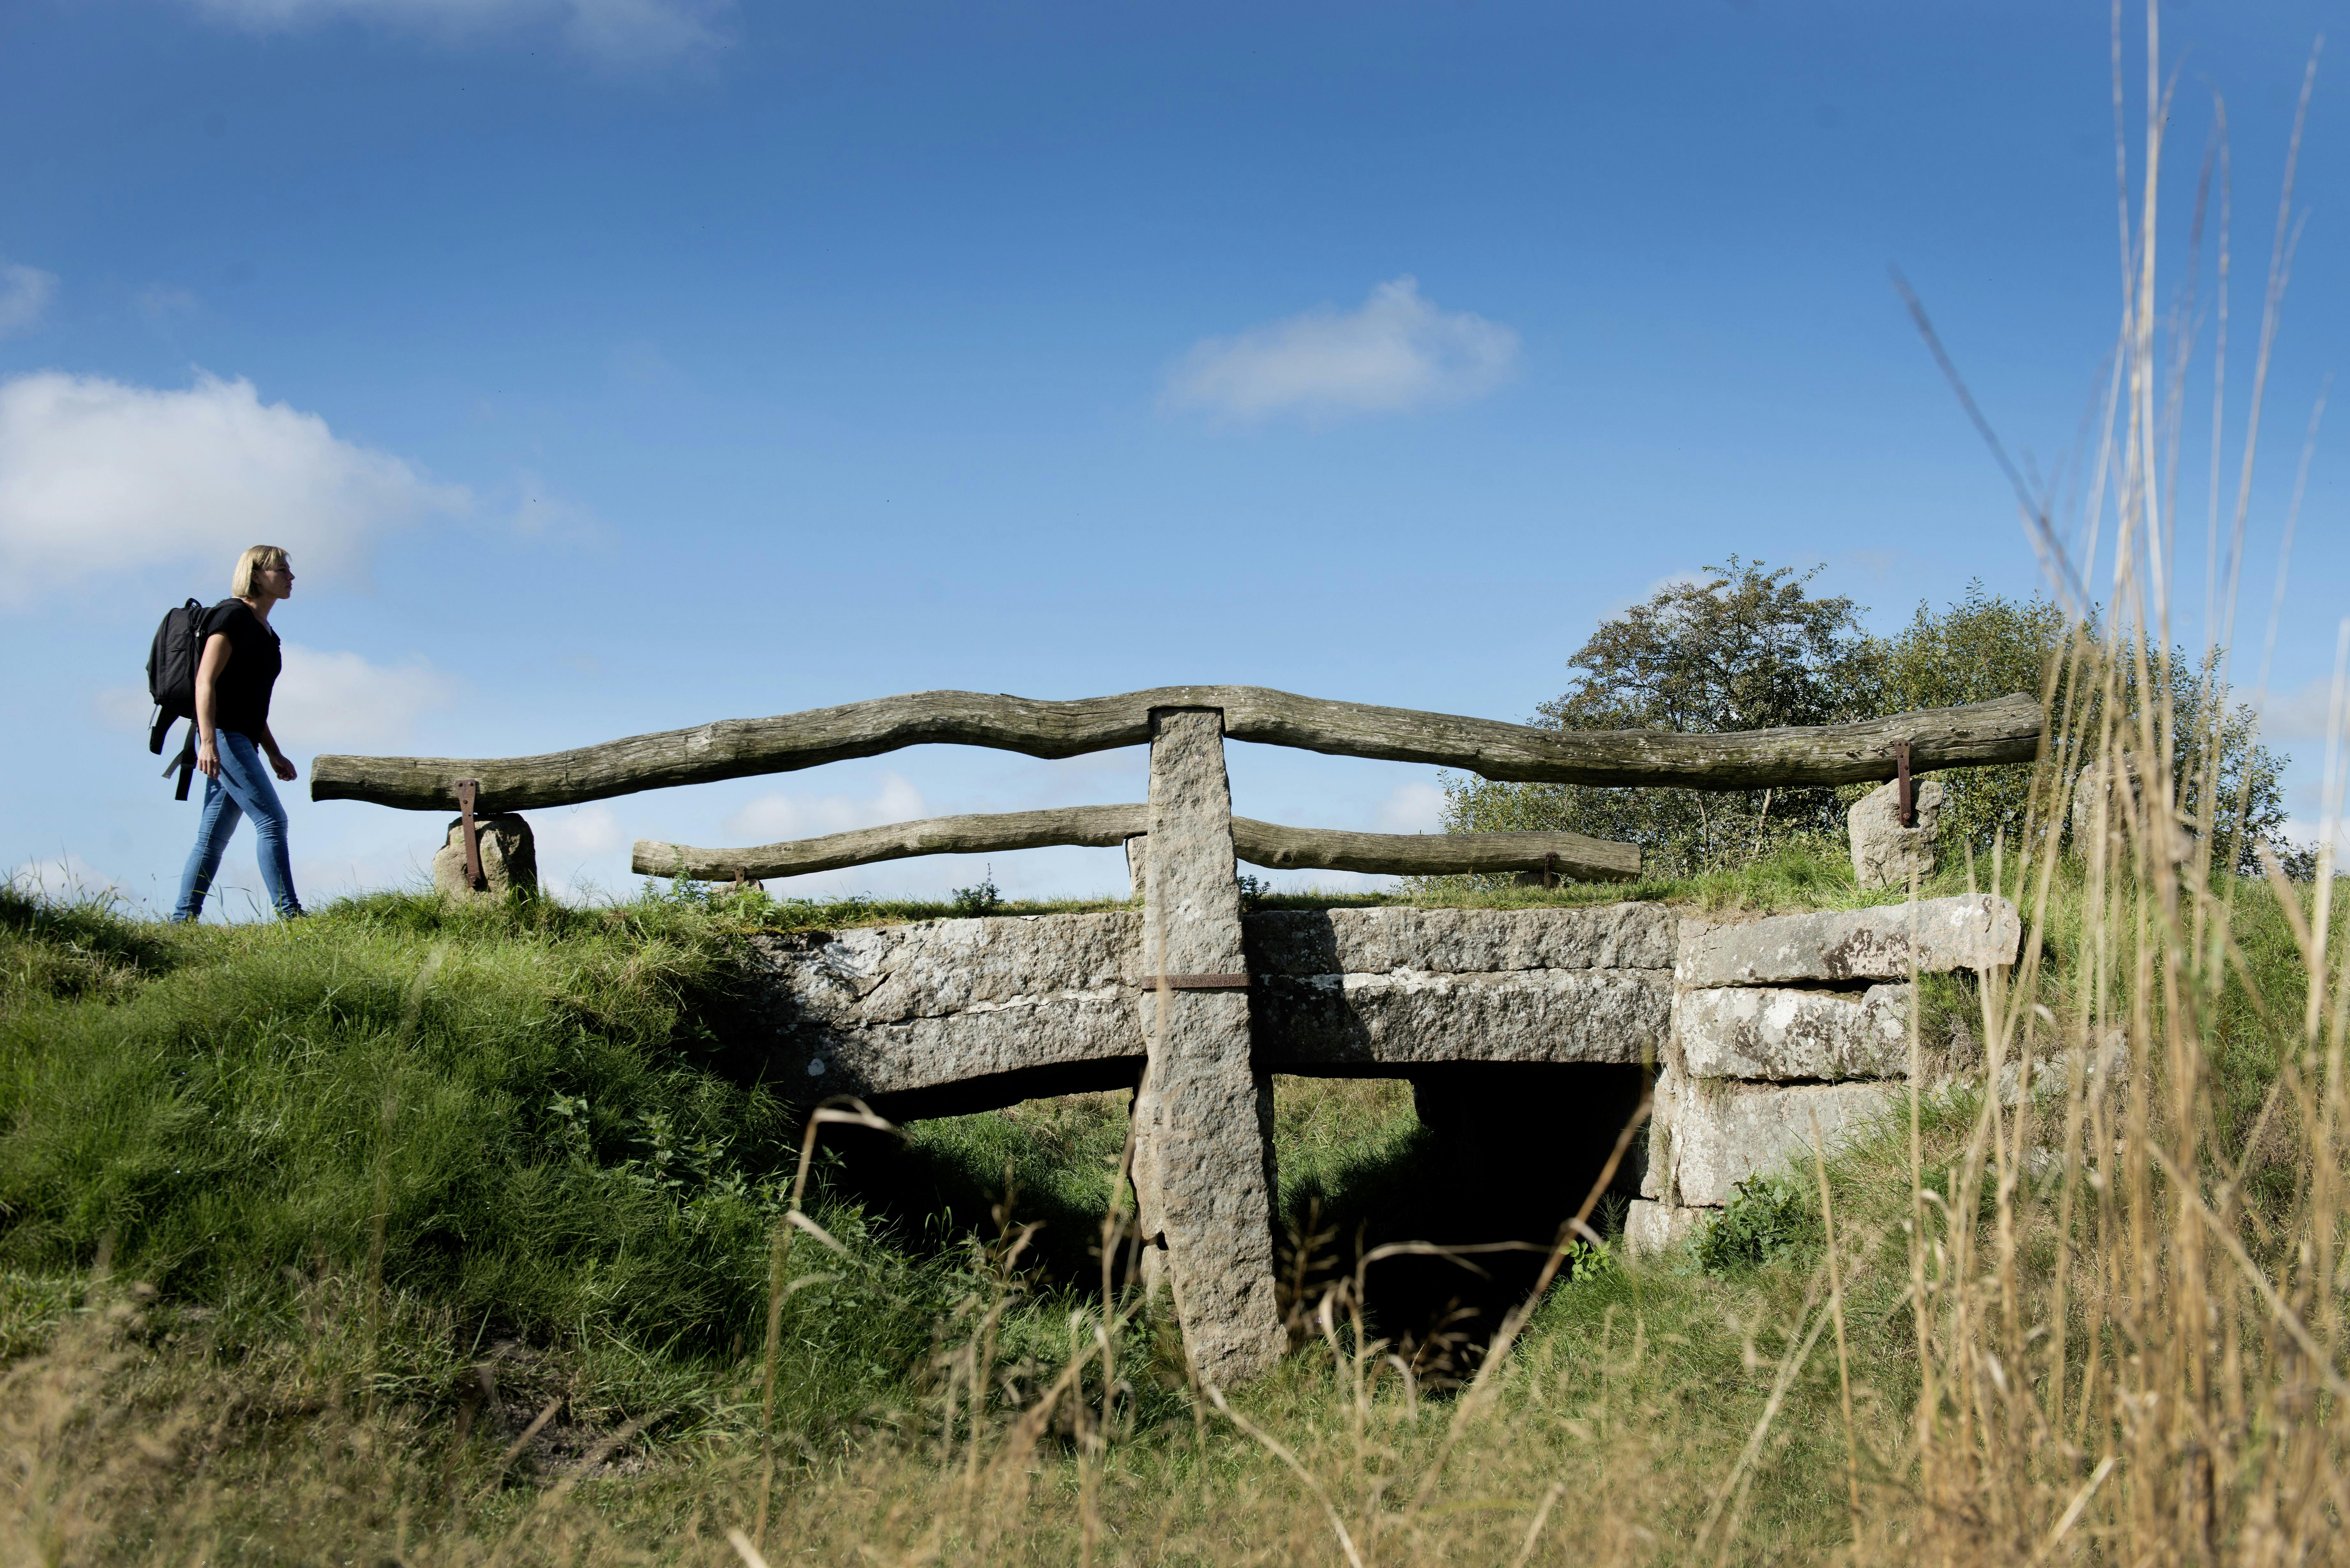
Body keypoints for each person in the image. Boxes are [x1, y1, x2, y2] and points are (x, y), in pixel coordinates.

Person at [171, 545, 305, 922]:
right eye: (282, 570)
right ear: (257, 574)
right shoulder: (231, 616)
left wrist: (274, 753)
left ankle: (182, 920)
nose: (290, 577)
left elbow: (251, 704)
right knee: (272, 821)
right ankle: (290, 914)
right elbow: (205, 681)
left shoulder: (266, 633)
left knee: (212, 839)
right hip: (223, 738)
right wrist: (209, 741)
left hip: (241, 738)